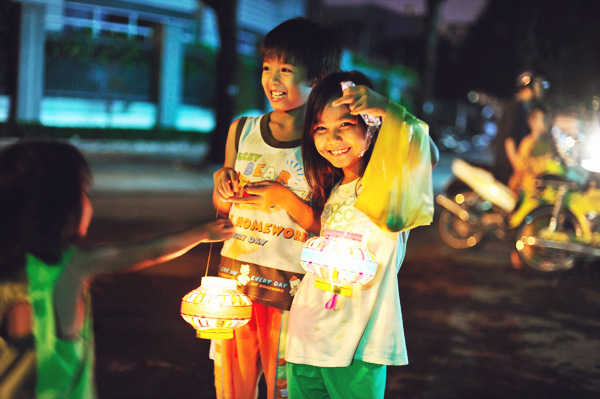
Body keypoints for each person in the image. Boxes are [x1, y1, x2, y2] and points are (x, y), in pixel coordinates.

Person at [0, 140, 233, 399]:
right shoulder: (70, 268)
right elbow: (147, 252)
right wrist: (200, 233)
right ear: (63, 207)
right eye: (85, 193)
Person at [285, 71, 437, 399]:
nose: (333, 140)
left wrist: (389, 110)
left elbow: (426, 154)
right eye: (321, 129)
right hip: (306, 332)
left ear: (370, 125)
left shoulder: (390, 186)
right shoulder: (332, 187)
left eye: (345, 126)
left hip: (359, 342)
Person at [211, 17, 341, 399]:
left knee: (284, 387)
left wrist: (284, 199)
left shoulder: (328, 143)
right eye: (267, 68)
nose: (272, 80)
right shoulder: (242, 130)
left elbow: (331, 227)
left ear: (317, 77)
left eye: (286, 70)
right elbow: (222, 211)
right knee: (231, 385)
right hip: (237, 280)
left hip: (294, 290)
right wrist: (222, 185)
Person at [492, 70, 550, 185]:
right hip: (507, 168)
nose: (540, 89)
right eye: (537, 85)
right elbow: (509, 141)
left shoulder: (522, 107)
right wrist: (518, 169)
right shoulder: (515, 107)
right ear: (528, 86)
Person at [507, 104, 553, 193]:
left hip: (538, 189)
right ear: (532, 121)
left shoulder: (545, 144)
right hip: (526, 189)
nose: (545, 122)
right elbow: (520, 165)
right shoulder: (527, 142)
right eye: (542, 119)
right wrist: (543, 163)